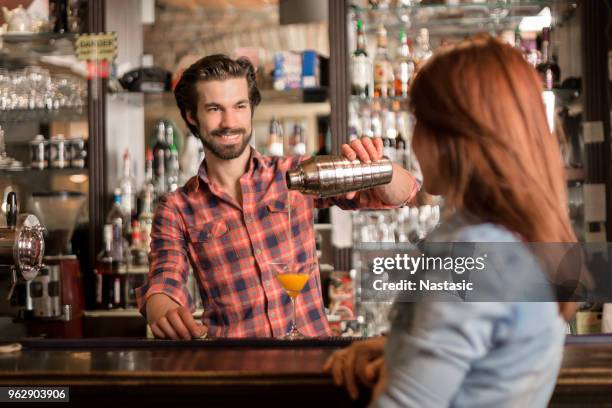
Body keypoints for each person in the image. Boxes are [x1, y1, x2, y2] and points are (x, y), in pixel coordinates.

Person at [324, 35, 578, 407]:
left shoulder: (472, 255)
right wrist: (396, 348)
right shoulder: (521, 233)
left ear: (455, 137)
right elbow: (489, 356)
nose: (413, 139)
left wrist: (399, 367)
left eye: (421, 122)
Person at [135, 54, 420, 339]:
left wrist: (379, 167)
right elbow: (164, 280)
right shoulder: (177, 208)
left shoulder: (297, 174)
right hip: (233, 366)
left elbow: (403, 194)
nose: (229, 121)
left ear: (250, 109)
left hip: (311, 360)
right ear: (191, 116)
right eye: (214, 109)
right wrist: (164, 312)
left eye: (239, 106)